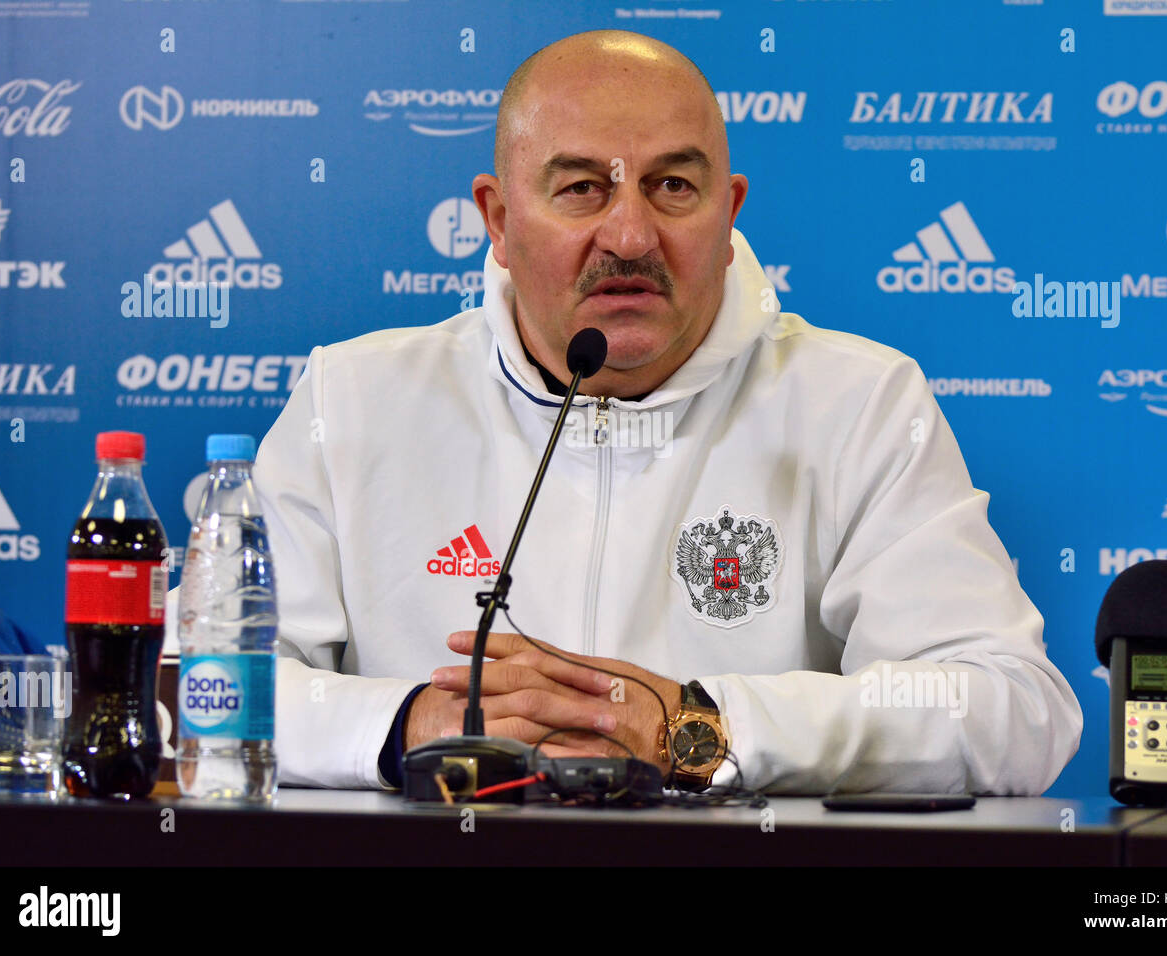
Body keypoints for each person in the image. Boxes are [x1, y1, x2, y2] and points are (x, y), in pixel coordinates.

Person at [247, 30, 1082, 794]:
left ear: (729, 215)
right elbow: (202, 686)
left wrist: (704, 727)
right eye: (580, 188)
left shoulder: (857, 403)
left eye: (673, 186)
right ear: (499, 220)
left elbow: (1014, 710)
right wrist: (410, 727)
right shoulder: (351, 399)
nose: (632, 235)